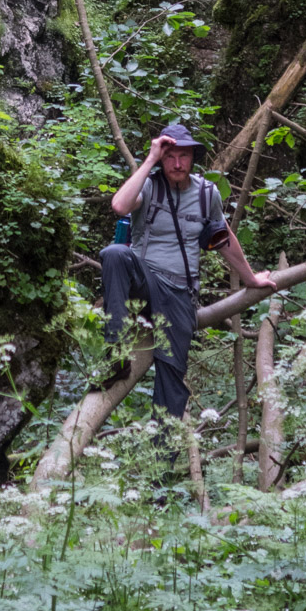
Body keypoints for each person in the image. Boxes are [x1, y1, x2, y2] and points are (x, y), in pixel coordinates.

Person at [94, 123, 276, 419]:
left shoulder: (208, 194)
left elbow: (224, 239)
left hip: (180, 293)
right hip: (146, 282)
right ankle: (116, 354)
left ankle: (160, 463)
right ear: (161, 158)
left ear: (193, 158)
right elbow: (119, 204)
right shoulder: (150, 186)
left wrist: (251, 278)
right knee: (114, 254)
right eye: (170, 157)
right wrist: (150, 159)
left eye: (183, 156)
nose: (177, 164)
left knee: (171, 385)